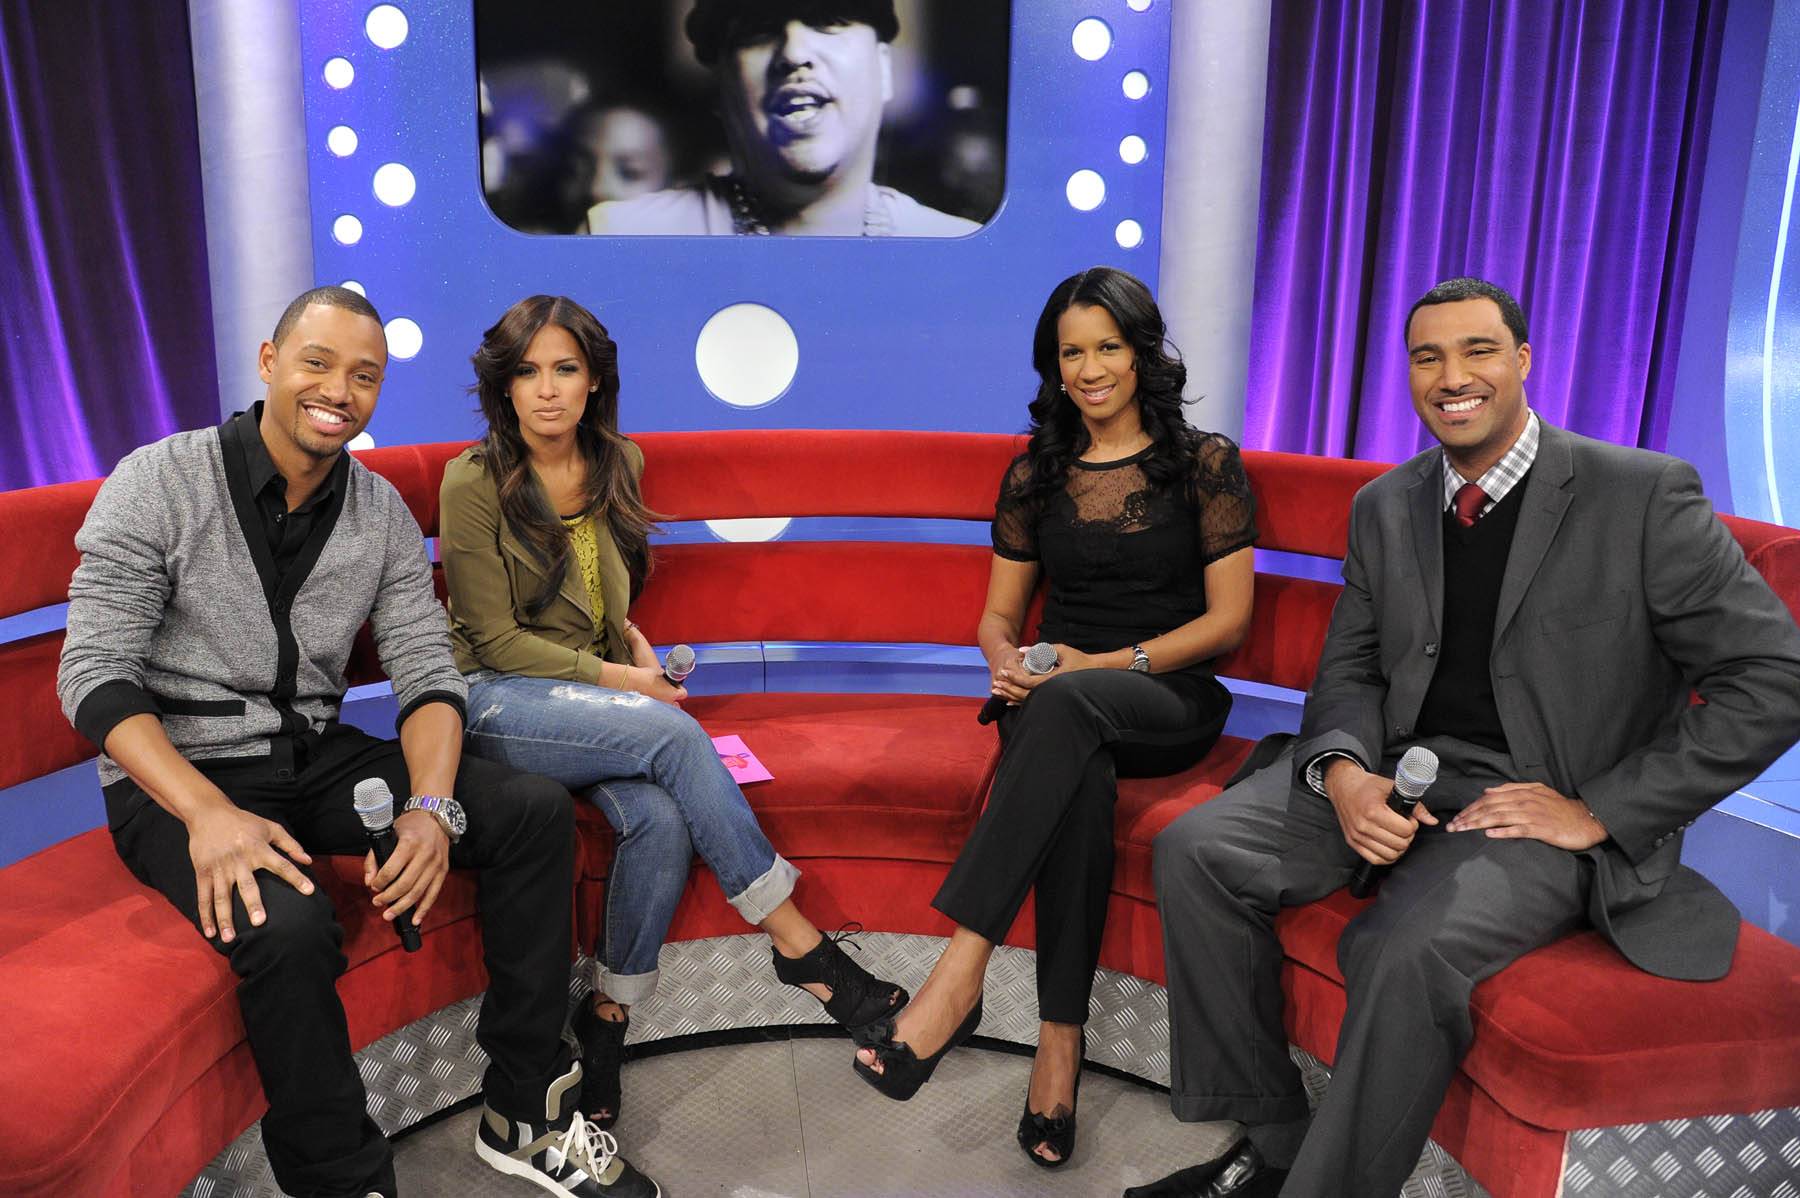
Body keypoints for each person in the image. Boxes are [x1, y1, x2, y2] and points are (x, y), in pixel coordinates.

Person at [1131, 278, 1800, 1198]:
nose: (1453, 377)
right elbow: (1354, 669)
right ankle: (1273, 1142)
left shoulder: (1640, 495)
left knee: (1403, 954)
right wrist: (1343, 773)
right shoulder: (1386, 504)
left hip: (1531, 805)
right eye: (1427, 356)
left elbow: (1775, 676)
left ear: (1522, 361)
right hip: (1395, 777)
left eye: (1479, 351)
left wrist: (1599, 810)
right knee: (1196, 850)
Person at [55, 286, 660, 1198]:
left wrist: (430, 808)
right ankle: (343, 1180)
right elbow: (93, 673)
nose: (339, 390)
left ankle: (524, 1111)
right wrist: (207, 814)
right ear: (268, 363)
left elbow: (428, 673)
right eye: (318, 363)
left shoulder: (375, 510)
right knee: (290, 926)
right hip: (178, 779)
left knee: (530, 813)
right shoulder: (159, 478)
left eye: (364, 376)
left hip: (311, 755)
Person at [438, 293, 909, 1129]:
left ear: (594, 382)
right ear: (503, 386)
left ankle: (608, 1023)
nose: (546, 390)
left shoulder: (621, 463)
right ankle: (804, 947)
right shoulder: (472, 480)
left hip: (590, 695)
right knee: (669, 731)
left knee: (658, 818)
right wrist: (628, 686)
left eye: (565, 369)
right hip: (494, 704)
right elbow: (493, 639)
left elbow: (612, 599)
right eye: (528, 372)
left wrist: (631, 659)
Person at [851, 267, 1258, 1169]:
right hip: (1059, 705)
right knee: (1077, 765)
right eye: (1072, 352)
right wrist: (1005, 660)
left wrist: (1098, 666)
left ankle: (958, 976)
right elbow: (999, 616)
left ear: (1142, 352)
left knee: (1068, 712)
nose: (1091, 368)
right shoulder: (1035, 471)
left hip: (1164, 692)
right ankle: (1059, 1047)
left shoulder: (1205, 464)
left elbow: (1228, 624)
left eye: (1107, 346)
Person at [585, 0, 979, 237]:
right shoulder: (618, 236)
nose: (793, 53)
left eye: (828, 21)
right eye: (758, 32)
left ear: (885, 69)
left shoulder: (960, 250)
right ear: (721, 85)